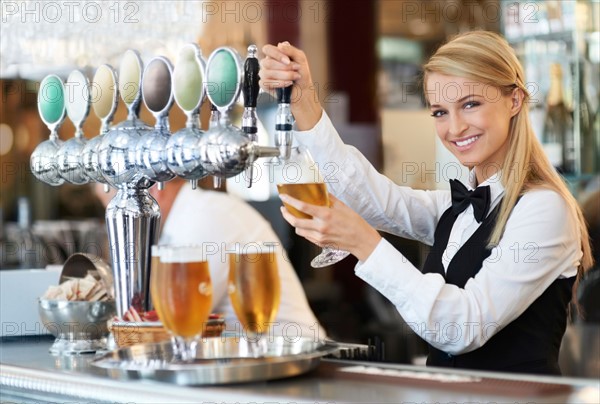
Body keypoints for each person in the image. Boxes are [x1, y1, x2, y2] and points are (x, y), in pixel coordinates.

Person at [258, 31, 594, 375]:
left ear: (515, 100)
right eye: (439, 112)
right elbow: (373, 199)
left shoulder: (545, 209)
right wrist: (304, 103)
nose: (455, 127)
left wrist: (364, 243)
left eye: (470, 104)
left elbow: (462, 327)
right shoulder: (458, 206)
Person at [95, 179, 326, 340]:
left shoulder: (204, 216)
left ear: (153, 189)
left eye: (119, 210)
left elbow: (170, 319)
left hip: (289, 358)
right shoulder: (183, 218)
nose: (122, 225)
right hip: (248, 359)